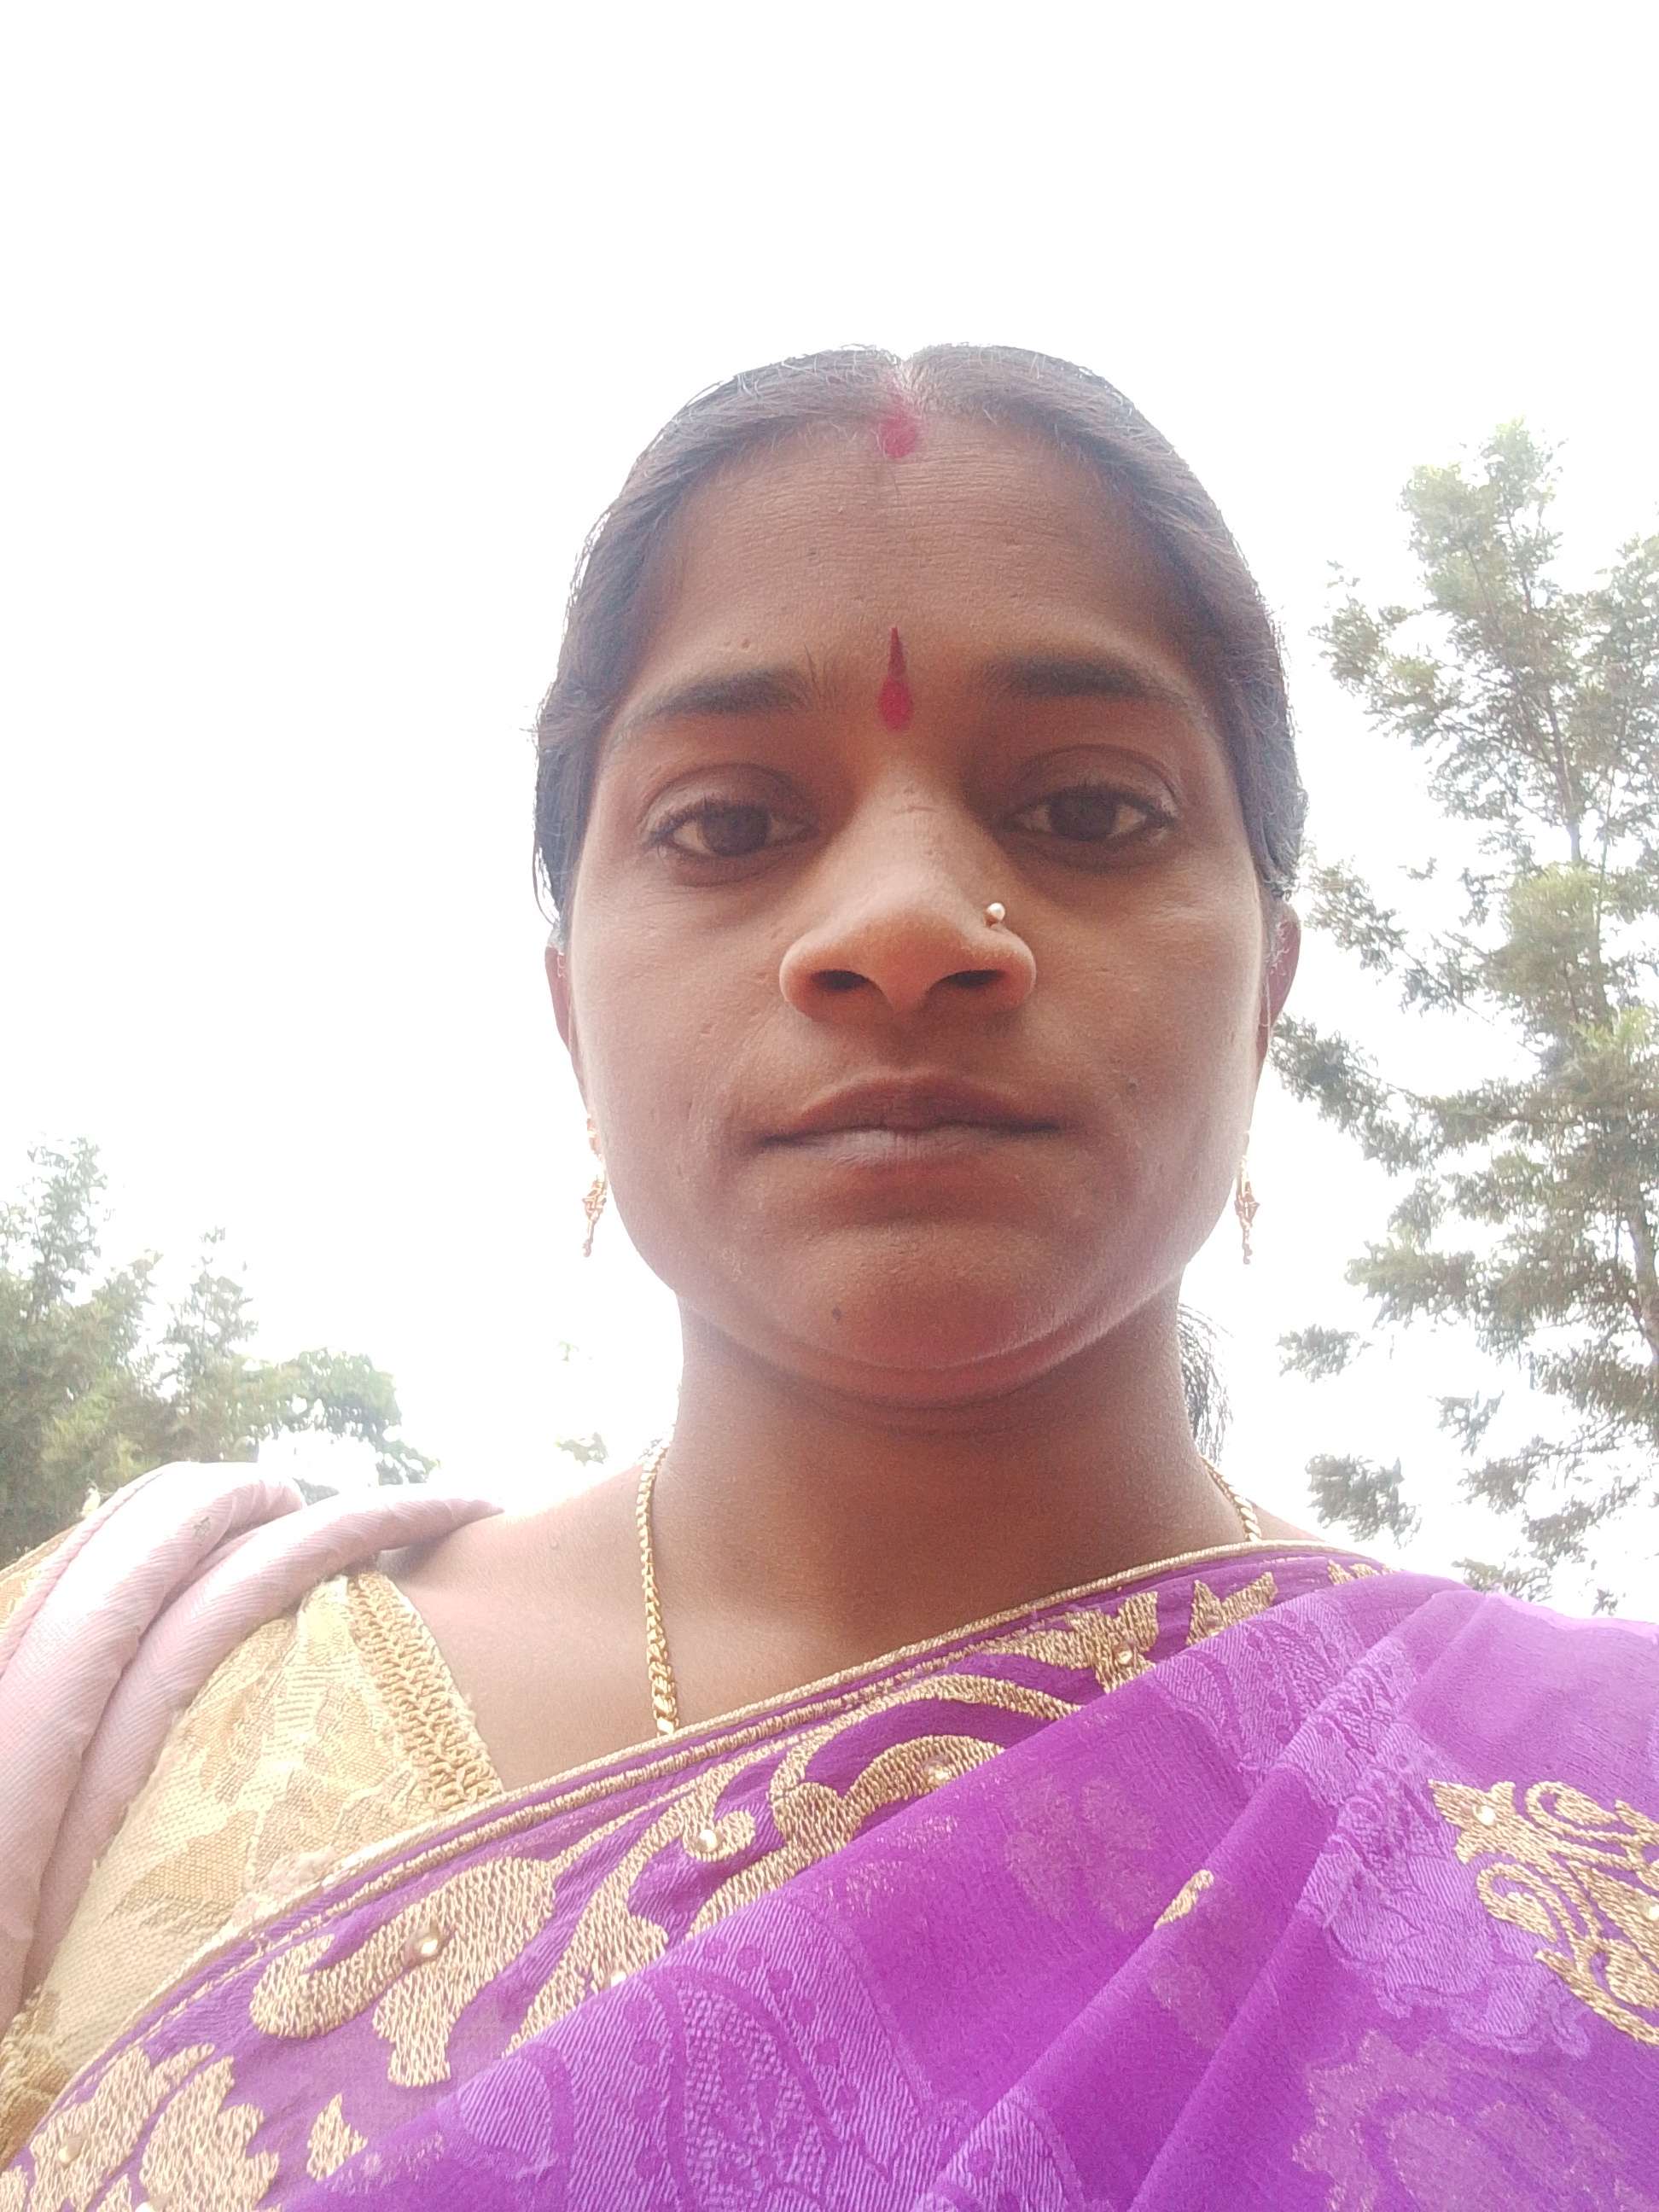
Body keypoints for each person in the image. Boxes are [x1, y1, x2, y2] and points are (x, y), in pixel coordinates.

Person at [3, 346, 1655, 2207]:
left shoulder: (1587, 1809)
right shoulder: (107, 1714)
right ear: (571, 1010)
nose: (907, 927)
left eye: (1089, 811)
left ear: (1266, 983)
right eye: (729, 824)